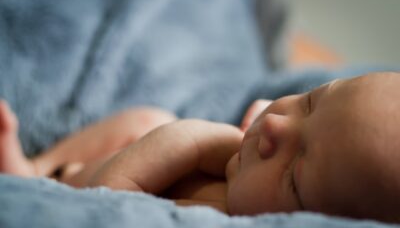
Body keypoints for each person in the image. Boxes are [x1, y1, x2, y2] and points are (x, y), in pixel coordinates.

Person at [1, 72, 400, 223]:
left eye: (294, 174)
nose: (277, 125)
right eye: (311, 100)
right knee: (150, 121)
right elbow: (180, 138)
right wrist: (104, 200)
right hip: (80, 178)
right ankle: (35, 167)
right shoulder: (228, 152)